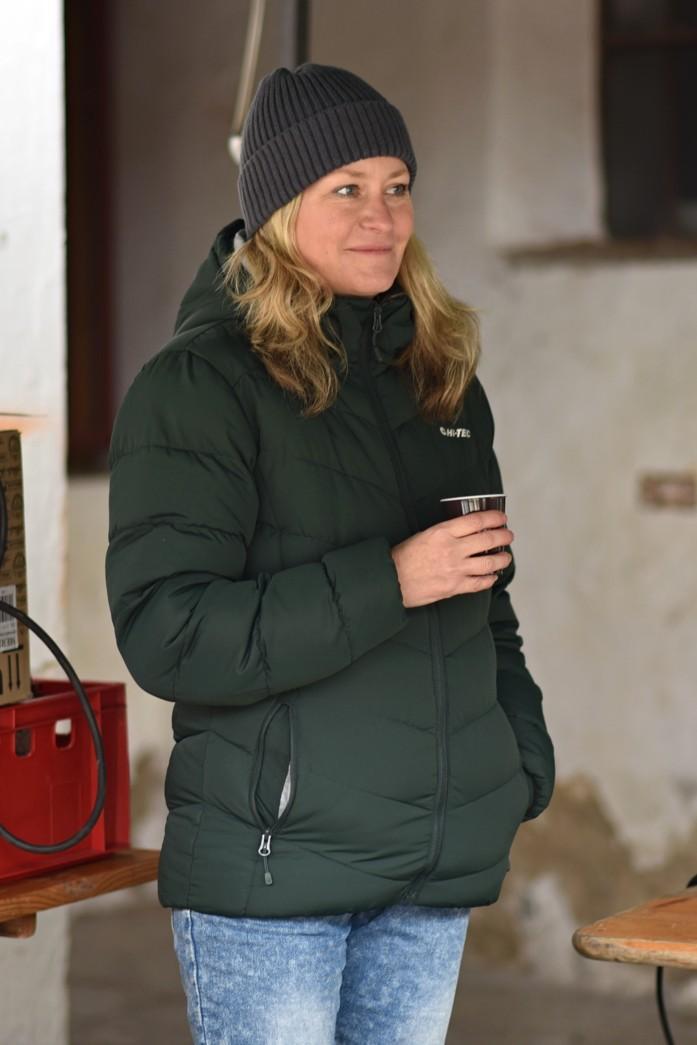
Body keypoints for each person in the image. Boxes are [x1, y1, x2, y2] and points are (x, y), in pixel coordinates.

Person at [106, 63, 555, 1045]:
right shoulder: (201, 385)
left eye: (396, 186)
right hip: (276, 880)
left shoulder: (437, 378)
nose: (380, 216)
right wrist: (390, 579)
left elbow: (489, 606)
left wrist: (515, 761)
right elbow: (167, 632)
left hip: (430, 870)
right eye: (345, 188)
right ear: (277, 208)